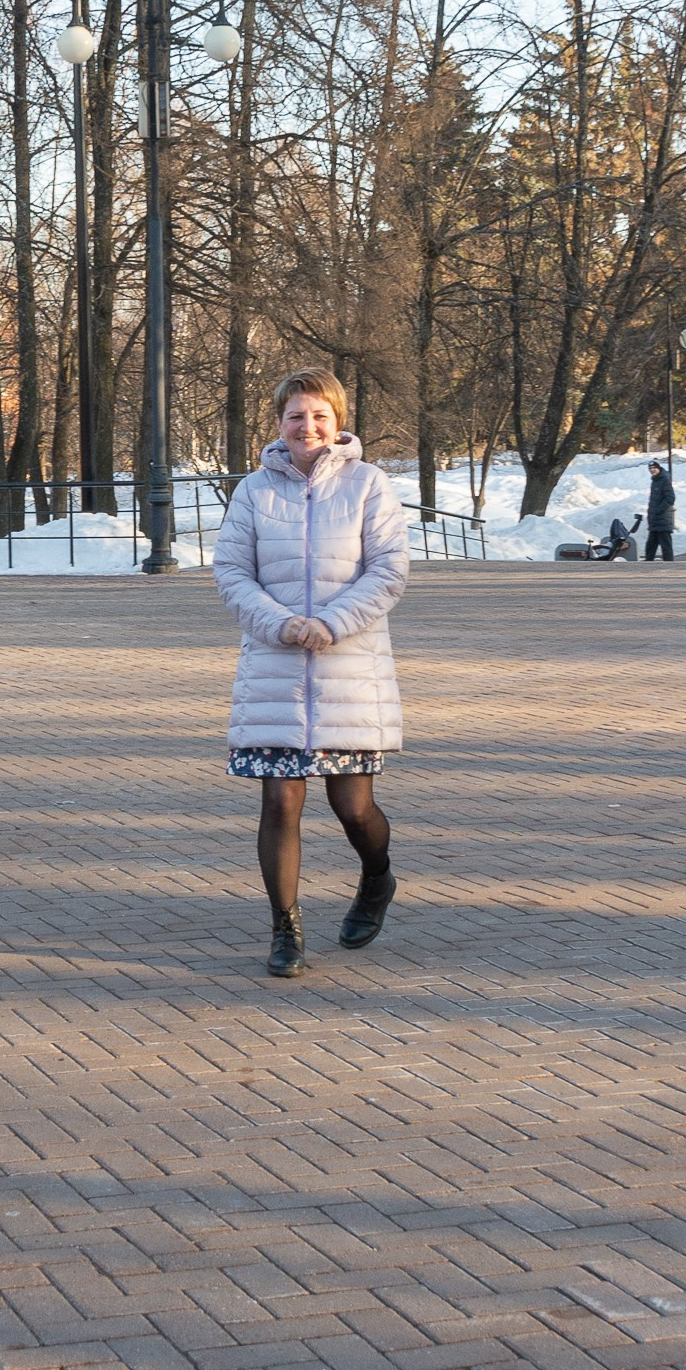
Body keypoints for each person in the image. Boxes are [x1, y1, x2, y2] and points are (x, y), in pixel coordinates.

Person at [214, 368, 410, 978]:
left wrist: (329, 622)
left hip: (348, 669)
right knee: (280, 801)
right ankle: (285, 928)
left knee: (353, 806)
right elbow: (231, 572)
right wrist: (280, 624)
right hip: (275, 671)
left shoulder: (369, 485)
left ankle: (377, 880)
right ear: (279, 424)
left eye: (319, 416)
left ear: (338, 421)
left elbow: (388, 571)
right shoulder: (253, 491)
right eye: (296, 416)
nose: (308, 427)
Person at [643, 460, 676, 561]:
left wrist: (659, 510)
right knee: (650, 545)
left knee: (665, 545)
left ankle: (669, 566)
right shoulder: (655, 481)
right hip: (655, 520)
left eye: (654, 468)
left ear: (659, 468)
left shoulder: (664, 480)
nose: (652, 470)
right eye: (650, 469)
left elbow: (670, 498)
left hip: (663, 519)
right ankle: (647, 565)